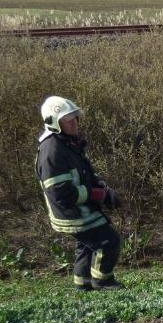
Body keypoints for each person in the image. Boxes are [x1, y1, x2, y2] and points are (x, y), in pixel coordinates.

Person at [35, 96, 124, 291]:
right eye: (68, 120)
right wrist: (96, 195)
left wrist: (101, 187)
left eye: (75, 117)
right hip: (71, 213)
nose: (74, 123)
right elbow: (60, 193)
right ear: (54, 123)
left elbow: (84, 174)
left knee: (86, 246)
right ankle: (103, 281)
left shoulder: (68, 143)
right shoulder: (52, 151)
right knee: (108, 241)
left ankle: (83, 285)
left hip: (78, 208)